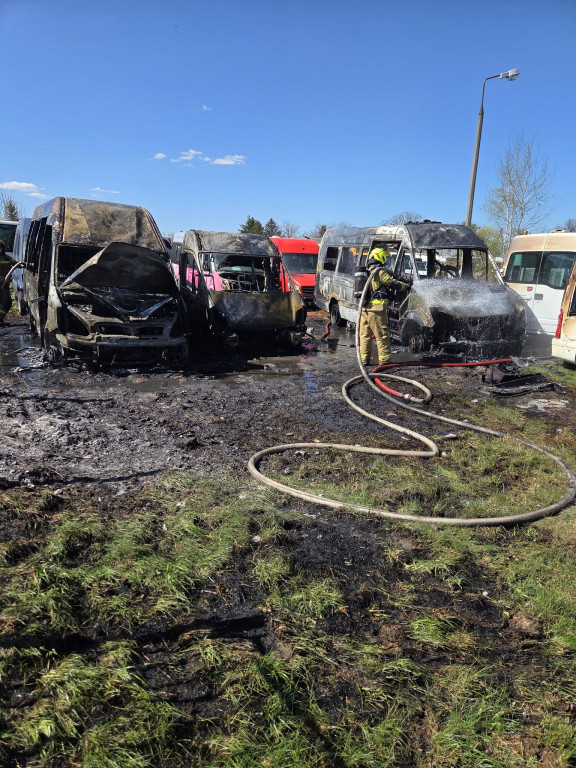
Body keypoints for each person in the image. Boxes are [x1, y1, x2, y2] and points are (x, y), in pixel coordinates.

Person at [359, 247, 411, 366]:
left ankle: (364, 360)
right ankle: (385, 361)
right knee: (382, 335)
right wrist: (406, 287)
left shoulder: (366, 270)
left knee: (364, 336)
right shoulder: (379, 271)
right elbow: (391, 283)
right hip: (376, 310)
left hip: (364, 309)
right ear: (380, 257)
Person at [0, 240, 13, 326]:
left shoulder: (7, 258)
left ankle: (0, 319)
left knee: (7, 302)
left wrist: (29, 264)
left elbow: (17, 264)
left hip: (4, 285)